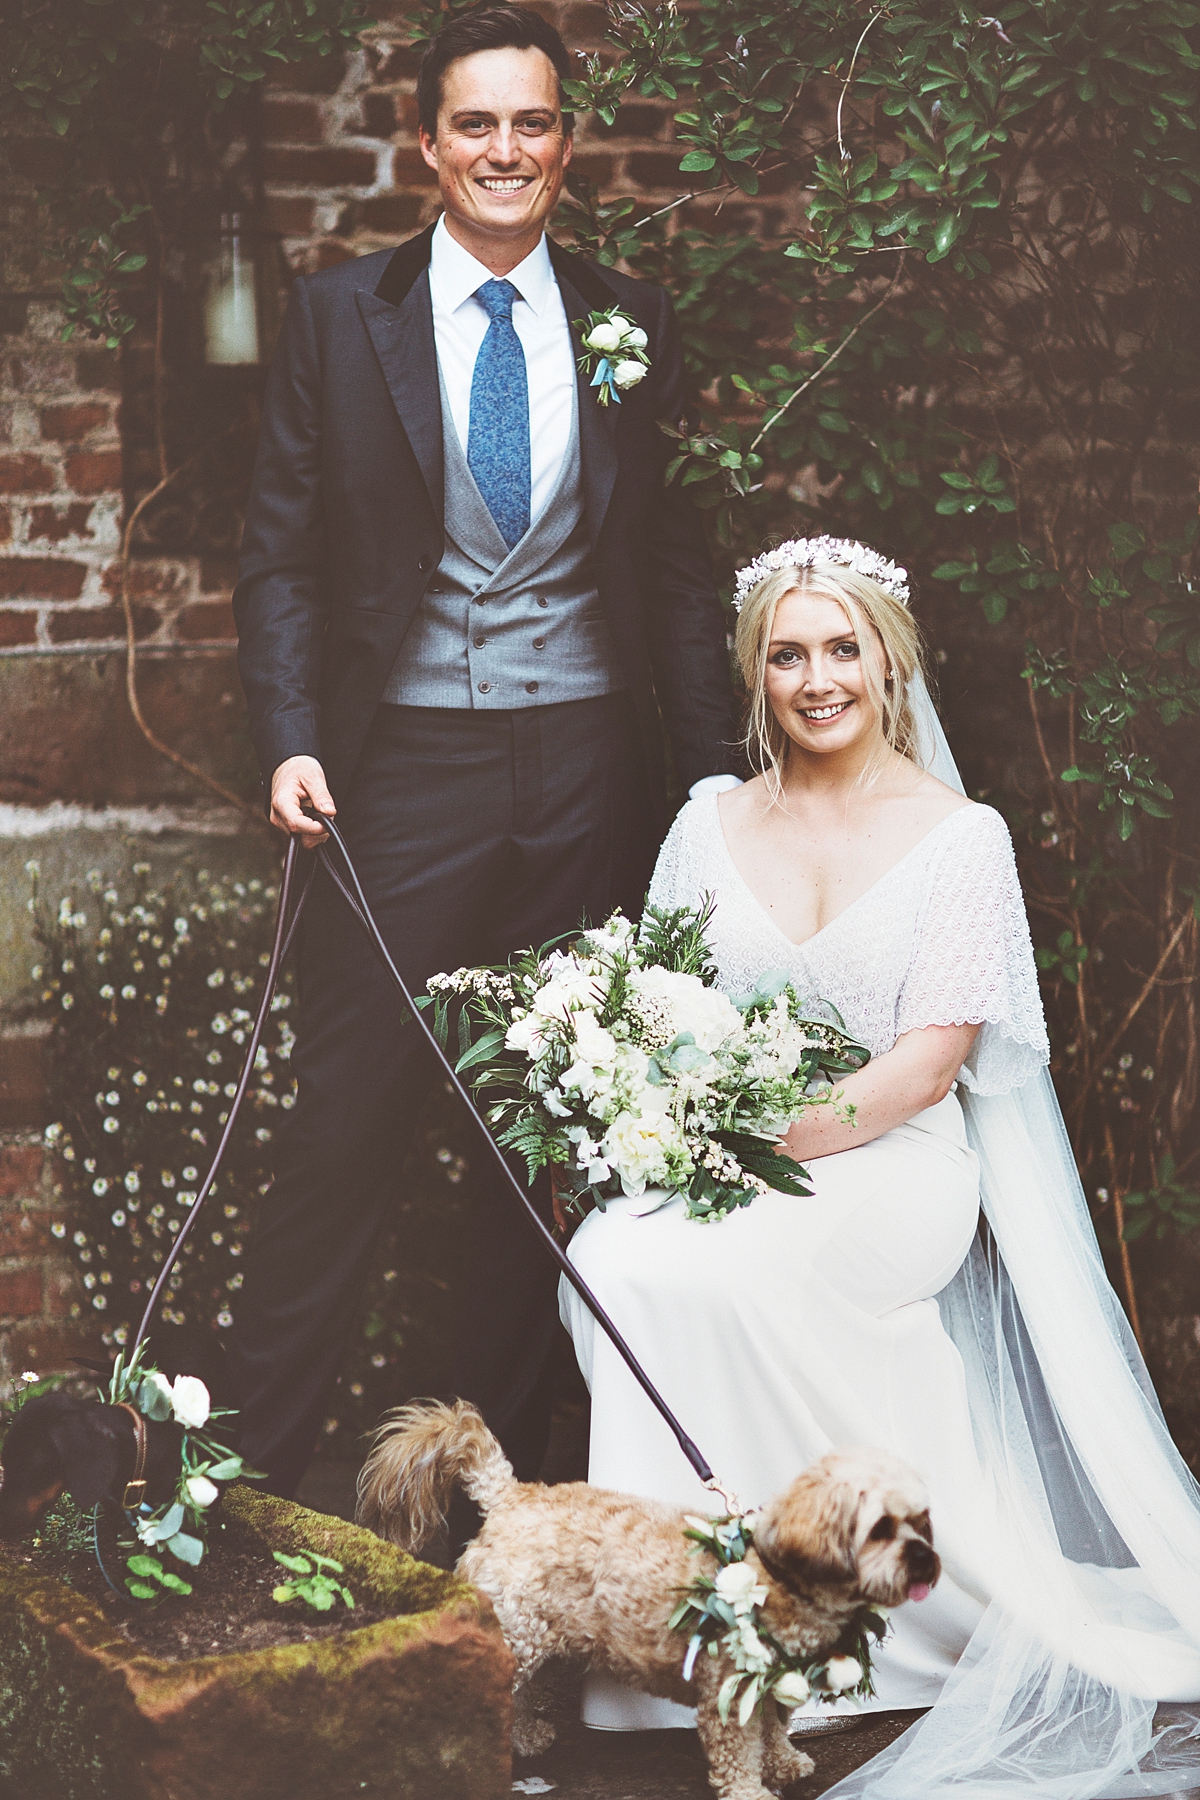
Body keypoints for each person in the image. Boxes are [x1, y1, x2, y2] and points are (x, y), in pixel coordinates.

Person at [560, 537, 1200, 1797]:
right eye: (789, 654)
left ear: (889, 661)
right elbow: (654, 1005)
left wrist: (767, 1133)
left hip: (895, 1168)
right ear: (757, 672)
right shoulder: (708, 821)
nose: (817, 679)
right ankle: (684, 1634)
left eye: (842, 649)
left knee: (736, 1279)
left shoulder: (960, 839)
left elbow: (927, 1064)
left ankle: (854, 1619)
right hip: (731, 1155)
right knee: (606, 1258)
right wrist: (671, 1106)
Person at [229, 3, 739, 1503]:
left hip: (589, 774)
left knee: (552, 1145)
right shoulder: (338, 317)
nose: (504, 150)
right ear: (428, 144)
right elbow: (280, 560)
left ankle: (496, 1504)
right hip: (403, 780)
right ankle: (241, 1483)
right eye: (476, 125)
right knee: (351, 1123)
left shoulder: (631, 313)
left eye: (533, 123)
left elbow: (670, 563)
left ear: (568, 144)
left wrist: (710, 778)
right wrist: (291, 740)